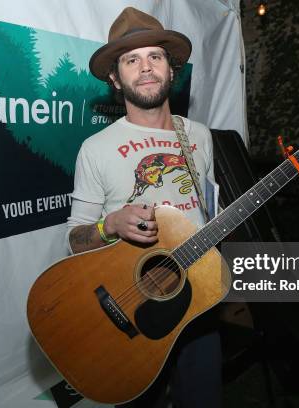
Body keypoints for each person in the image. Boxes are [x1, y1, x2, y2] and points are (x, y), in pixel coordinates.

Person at [64, 7, 222, 408]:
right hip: (132, 310)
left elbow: (210, 213)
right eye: (131, 60)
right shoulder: (95, 149)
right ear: (116, 79)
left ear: (172, 69)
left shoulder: (199, 136)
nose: (146, 67)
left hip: (197, 306)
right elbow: (74, 240)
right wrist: (110, 225)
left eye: (155, 56)